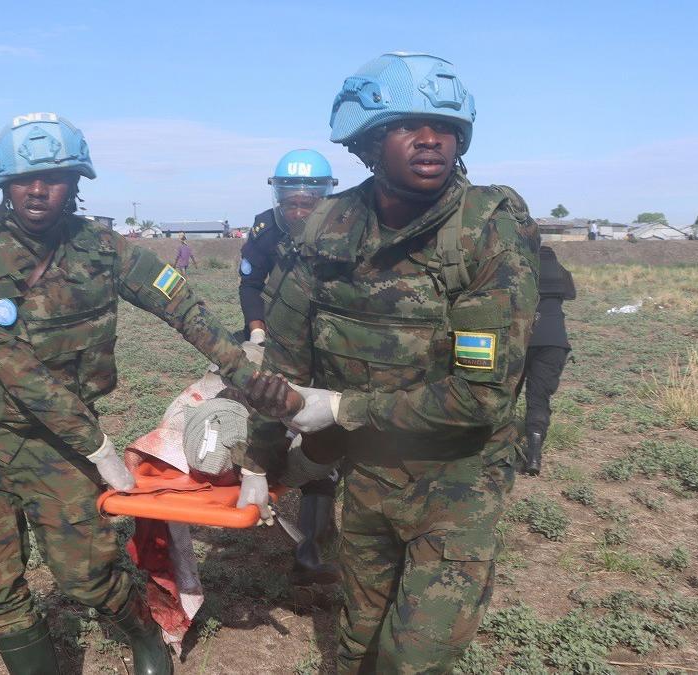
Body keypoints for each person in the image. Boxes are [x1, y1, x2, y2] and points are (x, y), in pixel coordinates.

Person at [242, 53, 540, 672]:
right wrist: (264, 459)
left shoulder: (483, 231)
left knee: (415, 659)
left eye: (445, 126)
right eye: (407, 125)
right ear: (369, 141)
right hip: (369, 476)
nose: (431, 138)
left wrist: (344, 408)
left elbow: (481, 396)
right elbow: (287, 360)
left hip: (457, 483)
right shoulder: (331, 225)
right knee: (356, 638)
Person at [0, 112, 258, 675]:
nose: (38, 189)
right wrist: (97, 447)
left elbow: (179, 302)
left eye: (55, 176)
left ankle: (142, 632)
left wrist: (244, 368)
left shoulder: (106, 250)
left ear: (78, 183)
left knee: (87, 576)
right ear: (3, 186)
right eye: (24, 178)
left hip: (57, 446)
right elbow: (14, 364)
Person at [238, 149, 341, 585]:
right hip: (276, 338)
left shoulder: (344, 226)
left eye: (308, 200)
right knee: (270, 419)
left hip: (327, 340)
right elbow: (250, 283)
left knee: (323, 436)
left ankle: (313, 546)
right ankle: (260, 485)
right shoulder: (265, 228)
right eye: (291, 199)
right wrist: (257, 329)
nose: (298, 208)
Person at [522, 245, 575, 475]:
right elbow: (571, 295)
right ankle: (533, 454)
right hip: (554, 342)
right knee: (538, 399)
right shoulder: (561, 273)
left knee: (504, 395)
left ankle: (496, 449)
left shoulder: (523, 271)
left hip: (521, 338)